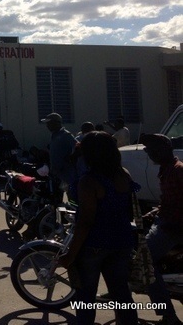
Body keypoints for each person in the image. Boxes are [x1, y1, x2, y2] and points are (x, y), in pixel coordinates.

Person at [59, 131, 138, 325]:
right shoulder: (123, 174)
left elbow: (85, 222)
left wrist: (70, 254)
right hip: (121, 242)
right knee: (121, 294)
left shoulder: (89, 181)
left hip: (94, 245)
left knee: (86, 297)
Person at [140, 133, 183, 325]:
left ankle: (169, 316)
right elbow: (172, 200)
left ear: (162, 150)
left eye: (151, 150)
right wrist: (156, 211)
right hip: (165, 220)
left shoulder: (178, 170)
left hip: (173, 227)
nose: (149, 154)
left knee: (144, 261)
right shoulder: (166, 170)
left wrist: (169, 220)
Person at [41, 113, 78, 194]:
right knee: (56, 198)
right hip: (56, 174)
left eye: (49, 123)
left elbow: (78, 147)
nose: (47, 125)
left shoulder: (65, 135)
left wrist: (71, 157)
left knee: (72, 198)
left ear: (56, 123)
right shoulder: (54, 135)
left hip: (67, 175)